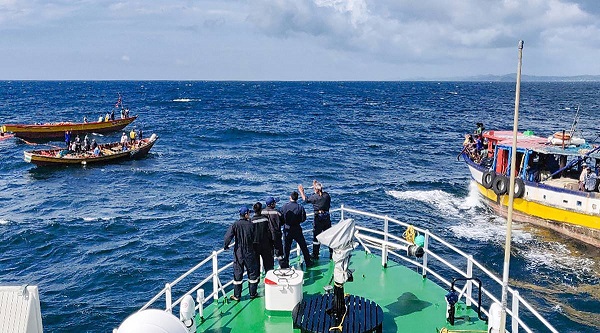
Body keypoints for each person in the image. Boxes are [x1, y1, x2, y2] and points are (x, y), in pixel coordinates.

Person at [223, 206, 259, 301]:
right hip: (249, 252)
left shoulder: (235, 225)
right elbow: (256, 238)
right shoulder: (251, 224)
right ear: (246, 214)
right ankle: (253, 293)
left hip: (238, 253)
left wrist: (226, 246)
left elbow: (228, 237)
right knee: (252, 273)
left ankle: (237, 296)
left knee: (238, 273)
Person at [298, 180, 333, 260]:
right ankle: (332, 252)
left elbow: (305, 199)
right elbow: (319, 194)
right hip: (327, 218)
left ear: (316, 190)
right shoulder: (327, 196)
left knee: (316, 237)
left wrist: (301, 191)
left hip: (318, 219)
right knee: (329, 235)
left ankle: (315, 254)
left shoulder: (315, 197)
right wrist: (315, 185)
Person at [280, 191, 312, 268]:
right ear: (297, 198)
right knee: (303, 246)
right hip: (297, 229)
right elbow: (303, 218)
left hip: (287, 229)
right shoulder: (300, 207)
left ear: (290, 197)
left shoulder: (284, 207)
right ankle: (308, 262)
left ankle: (286, 264)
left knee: (286, 248)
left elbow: (281, 218)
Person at [251, 202, 274, 272]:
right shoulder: (265, 219)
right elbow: (269, 231)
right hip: (266, 244)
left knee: (255, 266)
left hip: (255, 245)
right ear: (261, 210)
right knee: (268, 265)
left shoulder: (251, 221)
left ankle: (256, 280)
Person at [262, 196, 284, 267]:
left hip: (267, 236)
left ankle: (270, 269)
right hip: (276, 235)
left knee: (269, 253)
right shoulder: (277, 212)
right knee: (279, 252)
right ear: (272, 204)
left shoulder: (262, 212)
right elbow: (283, 221)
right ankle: (282, 267)